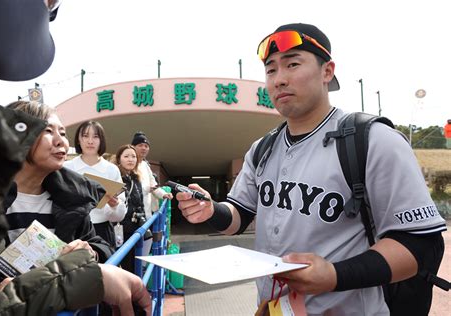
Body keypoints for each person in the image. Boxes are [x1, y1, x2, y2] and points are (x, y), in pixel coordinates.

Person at [175, 23, 446, 315]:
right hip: (272, 308)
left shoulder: (373, 140)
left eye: (292, 64)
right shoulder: (262, 149)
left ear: (327, 72)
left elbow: (421, 245)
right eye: (271, 70)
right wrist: (211, 210)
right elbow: (239, 215)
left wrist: (335, 275)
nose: (279, 79)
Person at [0, 1, 151, 314]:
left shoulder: (72, 194)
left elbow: (98, 244)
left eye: (62, 132)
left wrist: (89, 252)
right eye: (49, 132)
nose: (61, 141)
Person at [64, 121, 127, 249]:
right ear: (78, 139)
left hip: (102, 231)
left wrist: (115, 205)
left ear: (101, 140)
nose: (90, 141)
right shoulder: (66, 168)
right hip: (72, 230)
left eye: (95, 136)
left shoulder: (112, 170)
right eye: (85, 136)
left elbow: (120, 215)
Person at [131, 131, 173, 256]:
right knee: (135, 245)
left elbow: (153, 185)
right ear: (133, 147)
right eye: (140, 145)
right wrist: (146, 189)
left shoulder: (145, 165)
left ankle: (142, 268)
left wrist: (163, 194)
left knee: (147, 241)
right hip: (133, 215)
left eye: (146, 146)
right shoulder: (129, 163)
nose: (144, 148)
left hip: (147, 213)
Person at [114, 144, 146, 271]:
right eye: (126, 156)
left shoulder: (135, 177)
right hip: (121, 227)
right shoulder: (116, 177)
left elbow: (140, 203)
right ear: (119, 159)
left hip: (136, 228)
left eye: (133, 156)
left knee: (135, 261)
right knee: (126, 263)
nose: (130, 159)